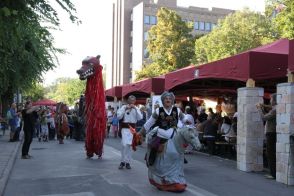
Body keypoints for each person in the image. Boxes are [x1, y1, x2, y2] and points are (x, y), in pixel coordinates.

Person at [139, 91, 191, 192]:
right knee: (154, 148)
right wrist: (140, 132)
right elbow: (149, 123)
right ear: (163, 101)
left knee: (179, 154)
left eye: (170, 99)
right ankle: (151, 161)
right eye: (166, 99)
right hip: (161, 135)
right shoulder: (158, 111)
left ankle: (176, 179)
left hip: (174, 135)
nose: (168, 100)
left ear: (172, 101)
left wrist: (187, 121)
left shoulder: (177, 110)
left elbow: (183, 118)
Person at [117, 95, 143, 169]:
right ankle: (122, 161)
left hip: (132, 130)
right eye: (130, 100)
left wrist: (135, 108)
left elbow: (140, 118)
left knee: (130, 146)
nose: (131, 102)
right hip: (125, 129)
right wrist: (125, 109)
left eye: (133, 100)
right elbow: (119, 117)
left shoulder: (136, 108)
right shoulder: (123, 107)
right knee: (124, 145)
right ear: (128, 100)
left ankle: (127, 162)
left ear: (134, 101)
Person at [256, 93, 277, 179]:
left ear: (275, 100)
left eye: (271, 99)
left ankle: (273, 174)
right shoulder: (275, 108)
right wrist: (263, 106)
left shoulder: (274, 110)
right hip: (272, 133)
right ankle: (273, 173)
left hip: (271, 133)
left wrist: (259, 109)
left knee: (270, 153)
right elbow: (269, 109)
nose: (270, 100)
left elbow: (264, 118)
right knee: (271, 153)